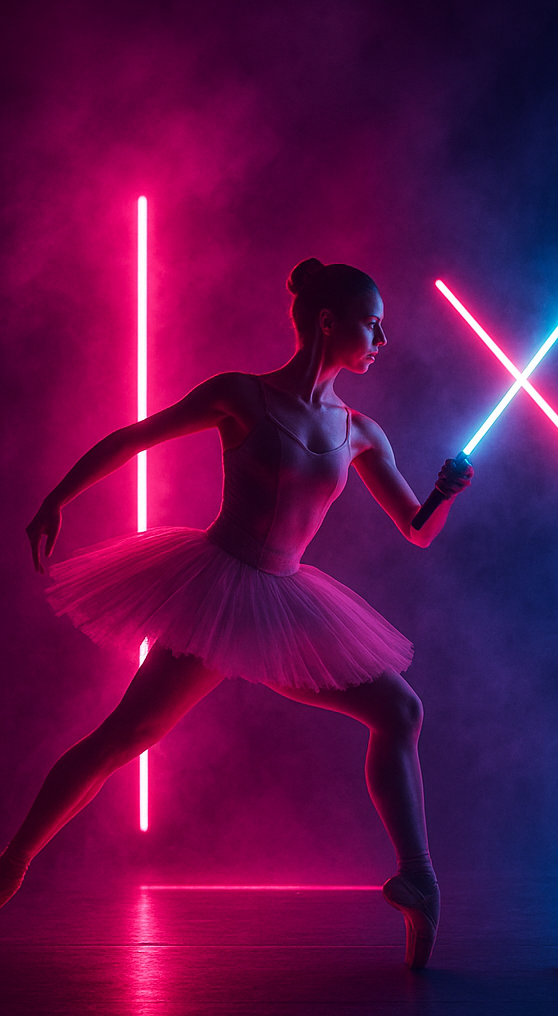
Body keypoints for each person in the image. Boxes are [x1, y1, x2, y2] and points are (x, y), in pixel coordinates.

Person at [1, 258, 471, 969]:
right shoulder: (241, 395)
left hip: (286, 599)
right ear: (327, 321)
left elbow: (416, 529)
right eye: (372, 325)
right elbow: (136, 437)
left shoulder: (362, 431)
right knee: (126, 736)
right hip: (218, 589)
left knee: (400, 711)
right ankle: (13, 861)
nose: (383, 339)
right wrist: (56, 498)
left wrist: (444, 494)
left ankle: (418, 879)